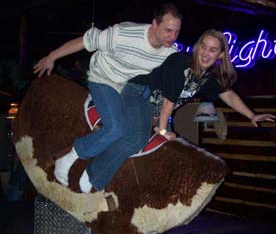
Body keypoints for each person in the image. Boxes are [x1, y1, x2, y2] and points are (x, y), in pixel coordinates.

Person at [77, 29, 276, 193]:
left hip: (157, 110)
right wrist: (162, 131)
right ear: (198, 48)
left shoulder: (208, 77)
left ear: (221, 55)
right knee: (136, 138)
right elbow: (168, 103)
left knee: (171, 154)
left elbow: (228, 95)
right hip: (139, 93)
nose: (206, 54)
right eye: (203, 47)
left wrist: (251, 115)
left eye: (213, 50)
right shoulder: (182, 62)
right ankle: (93, 174)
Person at [33, 4, 182, 192]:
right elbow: (85, 41)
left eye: (176, 32)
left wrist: (160, 123)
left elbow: (168, 87)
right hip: (103, 79)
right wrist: (52, 56)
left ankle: (94, 175)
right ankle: (68, 158)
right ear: (154, 24)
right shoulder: (124, 34)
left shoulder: (170, 53)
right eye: (168, 30)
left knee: (137, 139)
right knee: (116, 128)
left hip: (128, 88)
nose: (172, 37)